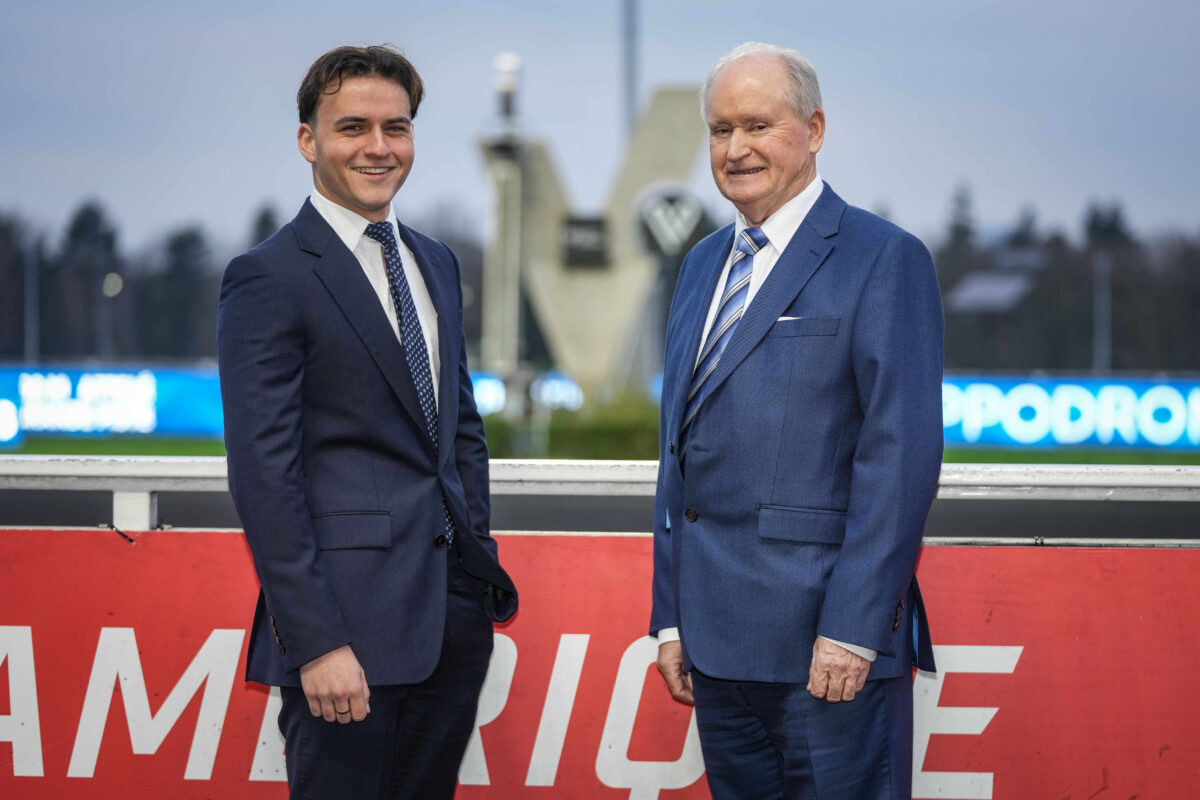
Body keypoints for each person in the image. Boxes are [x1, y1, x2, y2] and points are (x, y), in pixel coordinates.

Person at [217, 44, 516, 799]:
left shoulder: (436, 261)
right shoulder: (269, 277)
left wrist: (472, 557)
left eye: (398, 127)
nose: (379, 148)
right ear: (308, 141)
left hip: (450, 625)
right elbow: (265, 476)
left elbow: (461, 433)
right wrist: (316, 644)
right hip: (345, 634)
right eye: (353, 127)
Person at [650, 42, 943, 799]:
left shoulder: (884, 259)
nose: (735, 149)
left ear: (813, 130)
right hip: (715, 649)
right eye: (719, 130)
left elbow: (899, 455)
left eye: (757, 124)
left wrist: (852, 627)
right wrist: (671, 618)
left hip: (826, 650)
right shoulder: (700, 266)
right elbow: (677, 455)